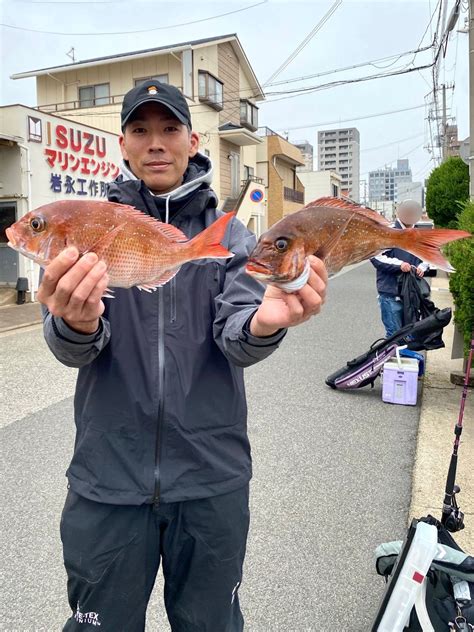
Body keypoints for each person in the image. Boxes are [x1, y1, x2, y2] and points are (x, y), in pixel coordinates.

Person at [37, 80, 328, 631]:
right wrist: (74, 322)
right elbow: (71, 345)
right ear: (122, 145)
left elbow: (237, 333)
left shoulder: (232, 239)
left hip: (211, 478)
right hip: (107, 479)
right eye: (140, 130)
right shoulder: (92, 227)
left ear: (193, 141)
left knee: (211, 624)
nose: (155, 143)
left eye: (169, 129)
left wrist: (264, 323)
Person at [371, 199, 429, 338]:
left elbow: (427, 256)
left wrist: (422, 266)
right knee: (394, 336)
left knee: (411, 335)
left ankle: (405, 357)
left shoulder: (419, 233)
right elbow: (375, 256)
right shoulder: (387, 231)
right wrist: (400, 265)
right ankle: (395, 358)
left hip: (412, 294)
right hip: (390, 292)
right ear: (398, 212)